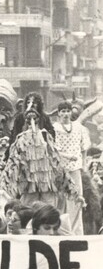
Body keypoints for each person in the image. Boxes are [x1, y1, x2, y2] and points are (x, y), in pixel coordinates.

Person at [53, 100, 90, 235]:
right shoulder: (55, 128)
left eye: (68, 111)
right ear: (58, 114)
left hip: (75, 169)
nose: (66, 114)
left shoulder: (78, 128)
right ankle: (60, 231)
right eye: (63, 111)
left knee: (76, 200)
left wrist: (84, 164)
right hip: (60, 170)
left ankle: (76, 233)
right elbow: (54, 151)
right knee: (61, 201)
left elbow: (84, 147)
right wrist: (68, 156)